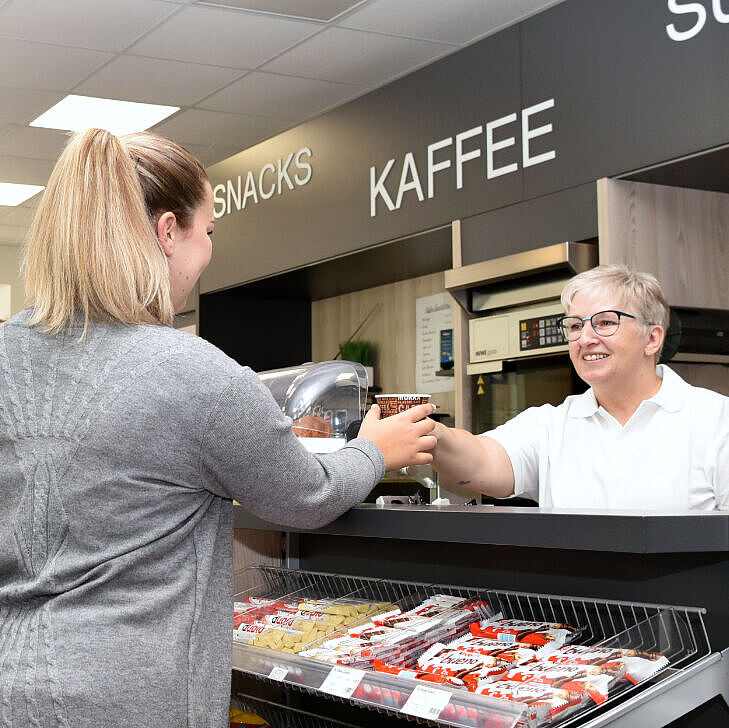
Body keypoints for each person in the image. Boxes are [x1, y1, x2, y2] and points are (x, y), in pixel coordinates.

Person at [0, 128, 436, 728]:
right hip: (134, 698)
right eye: (208, 232)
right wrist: (372, 450)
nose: (208, 253)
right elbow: (304, 495)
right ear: (167, 232)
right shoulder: (186, 368)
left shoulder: (7, 353)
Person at [431, 264, 729, 510]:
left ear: (652, 339)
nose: (585, 338)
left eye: (604, 322)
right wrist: (430, 432)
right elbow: (480, 461)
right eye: (575, 325)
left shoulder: (716, 421)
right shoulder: (551, 426)